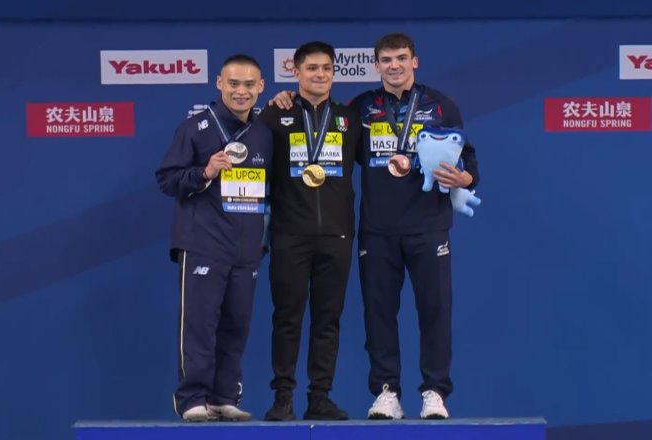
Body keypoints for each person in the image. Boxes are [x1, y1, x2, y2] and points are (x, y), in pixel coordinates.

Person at [271, 33, 479, 420]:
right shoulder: (359, 109)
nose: (394, 65)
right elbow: (319, 126)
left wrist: (465, 180)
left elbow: (468, 159)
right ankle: (387, 391)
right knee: (379, 313)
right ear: (376, 65)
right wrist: (284, 99)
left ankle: (434, 390)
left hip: (429, 227)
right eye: (386, 59)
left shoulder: (440, 106)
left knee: (435, 311)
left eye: (402, 58)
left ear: (415, 61)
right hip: (377, 230)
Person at [155, 54, 273, 423]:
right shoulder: (196, 127)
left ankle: (224, 396)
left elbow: (270, 191)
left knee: (236, 325)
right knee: (200, 325)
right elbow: (167, 179)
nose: (241, 91)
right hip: (203, 242)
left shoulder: (263, 134)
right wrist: (206, 171)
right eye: (234, 84)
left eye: (249, 85)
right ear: (219, 83)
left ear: (261, 88)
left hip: (247, 246)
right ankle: (193, 398)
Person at [257, 41, 361, 421]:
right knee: (287, 318)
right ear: (295, 72)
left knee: (327, 319)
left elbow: (384, 167)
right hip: (290, 235)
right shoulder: (273, 116)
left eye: (326, 69)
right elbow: (249, 164)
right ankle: (283, 398)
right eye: (312, 68)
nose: (320, 75)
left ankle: (320, 396)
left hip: (337, 236)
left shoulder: (350, 119)